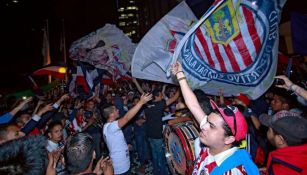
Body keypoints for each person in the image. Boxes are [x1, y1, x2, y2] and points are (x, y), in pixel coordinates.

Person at [171, 61, 259, 174]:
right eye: (207, 121)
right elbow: (193, 105)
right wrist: (180, 74)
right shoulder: (215, 141)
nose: (203, 126)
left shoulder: (231, 171)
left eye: (211, 126)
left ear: (229, 139)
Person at [103, 93, 152, 175]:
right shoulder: (111, 127)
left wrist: (125, 146)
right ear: (111, 115)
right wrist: (141, 102)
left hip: (122, 162)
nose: (118, 110)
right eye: (115, 110)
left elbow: (113, 142)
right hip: (120, 166)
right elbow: (126, 118)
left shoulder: (107, 126)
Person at [144, 87, 180, 175]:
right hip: (157, 135)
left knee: (154, 154)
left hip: (149, 134)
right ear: (157, 96)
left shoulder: (147, 105)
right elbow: (174, 98)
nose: (162, 97)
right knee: (160, 155)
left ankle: (156, 171)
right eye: (161, 95)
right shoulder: (159, 104)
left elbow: (145, 118)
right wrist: (180, 86)